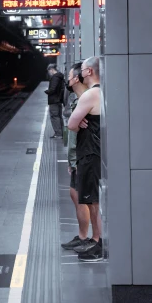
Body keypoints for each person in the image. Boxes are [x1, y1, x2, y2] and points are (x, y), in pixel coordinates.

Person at [67, 56, 103, 262]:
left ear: (89, 72)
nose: (79, 73)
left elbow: (72, 124)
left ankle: (99, 243)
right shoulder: (99, 92)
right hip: (94, 151)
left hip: (91, 152)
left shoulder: (90, 95)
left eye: (81, 69)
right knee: (93, 200)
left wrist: (78, 119)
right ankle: (96, 240)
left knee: (94, 202)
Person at [60, 62, 91, 250]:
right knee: (76, 195)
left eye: (70, 76)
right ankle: (83, 236)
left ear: (77, 78)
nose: (68, 80)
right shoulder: (77, 100)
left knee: (82, 197)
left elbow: (74, 127)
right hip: (76, 156)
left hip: (83, 156)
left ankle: (87, 238)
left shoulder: (85, 101)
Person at [44, 64, 65, 138]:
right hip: (58, 100)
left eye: (49, 71)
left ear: (51, 70)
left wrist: (47, 91)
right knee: (58, 116)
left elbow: (53, 89)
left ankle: (58, 134)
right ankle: (61, 133)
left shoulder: (55, 77)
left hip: (54, 100)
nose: (49, 73)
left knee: (54, 116)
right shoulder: (60, 77)